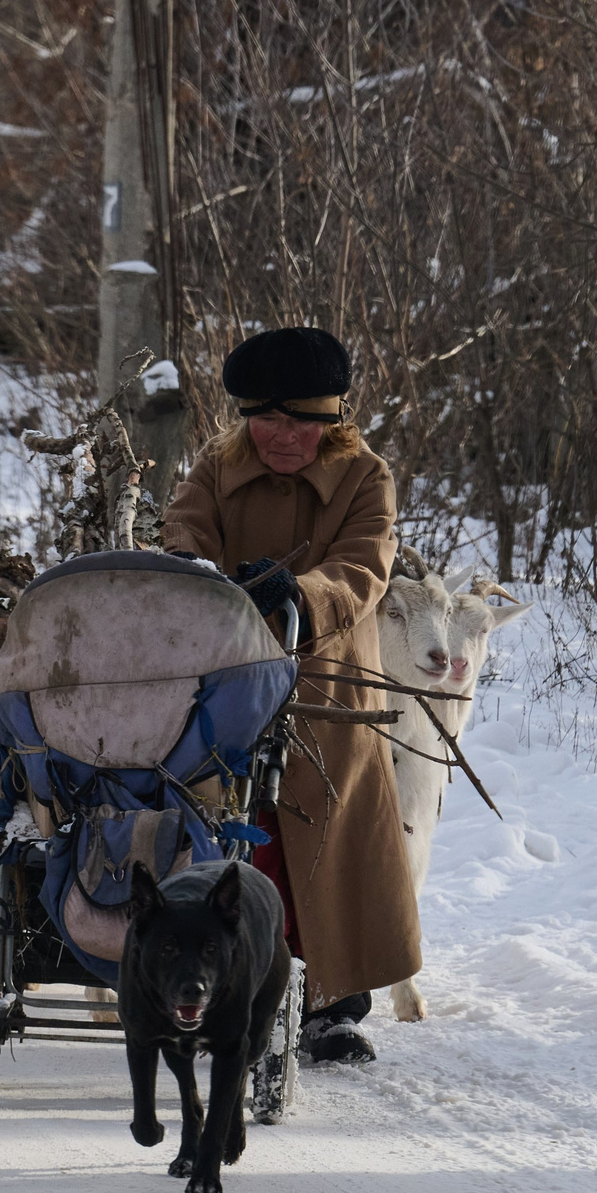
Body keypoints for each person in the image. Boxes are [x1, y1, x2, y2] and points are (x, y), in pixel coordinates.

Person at [159, 326, 417, 1064]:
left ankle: (334, 1004)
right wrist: (199, 574)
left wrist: (299, 590)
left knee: (326, 836)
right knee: (225, 822)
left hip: (323, 679)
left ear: (332, 418)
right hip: (225, 672)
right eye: (264, 418)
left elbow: (364, 566)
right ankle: (213, 977)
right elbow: (185, 527)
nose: (281, 435)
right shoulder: (217, 462)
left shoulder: (367, 477)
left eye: (301, 420)